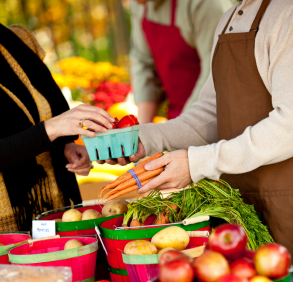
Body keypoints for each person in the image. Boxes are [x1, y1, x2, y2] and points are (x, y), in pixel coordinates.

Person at [100, 0, 293, 255]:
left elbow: (288, 125)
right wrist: (146, 139)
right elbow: (210, 115)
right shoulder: (228, 20)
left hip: (285, 205)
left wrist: (197, 163)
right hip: (238, 208)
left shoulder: (285, 14)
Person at [0, 23, 114, 232]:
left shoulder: (16, 40)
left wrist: (66, 146)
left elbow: (40, 114)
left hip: (58, 212)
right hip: (9, 230)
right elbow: (45, 128)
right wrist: (51, 129)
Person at [130, 0, 232, 123]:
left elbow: (215, 71)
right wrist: (140, 131)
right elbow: (144, 64)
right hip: (178, 119)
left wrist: (180, 128)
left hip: (214, 119)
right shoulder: (139, 4)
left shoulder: (206, 4)